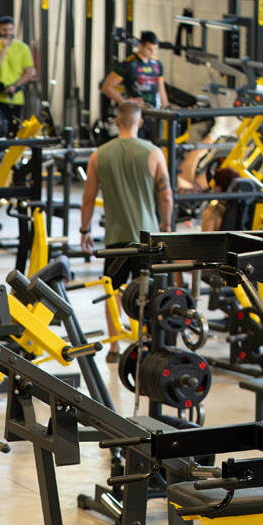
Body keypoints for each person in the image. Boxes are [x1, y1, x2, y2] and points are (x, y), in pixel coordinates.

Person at [79, 99, 173, 361]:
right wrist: (166, 226)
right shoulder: (153, 153)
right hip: (147, 238)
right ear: (140, 122)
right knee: (148, 293)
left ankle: (114, 348)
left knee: (113, 292)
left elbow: (88, 198)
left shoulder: (98, 155)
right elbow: (166, 196)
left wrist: (85, 230)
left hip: (115, 240)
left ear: (117, 121)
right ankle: (146, 343)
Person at [101, 31, 169, 140]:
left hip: (154, 115)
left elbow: (161, 88)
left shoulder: (157, 64)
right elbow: (106, 87)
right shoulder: (128, 64)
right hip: (135, 115)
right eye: (149, 49)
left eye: (155, 49)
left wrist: (166, 108)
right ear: (140, 46)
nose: (152, 52)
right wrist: (125, 102)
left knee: (156, 145)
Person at [0, 15, 36, 122]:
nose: (7, 32)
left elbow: (28, 73)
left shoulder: (23, 48)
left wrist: (15, 86)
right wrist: (3, 49)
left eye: (10, 29)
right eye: (4, 29)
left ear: (14, 29)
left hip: (15, 98)